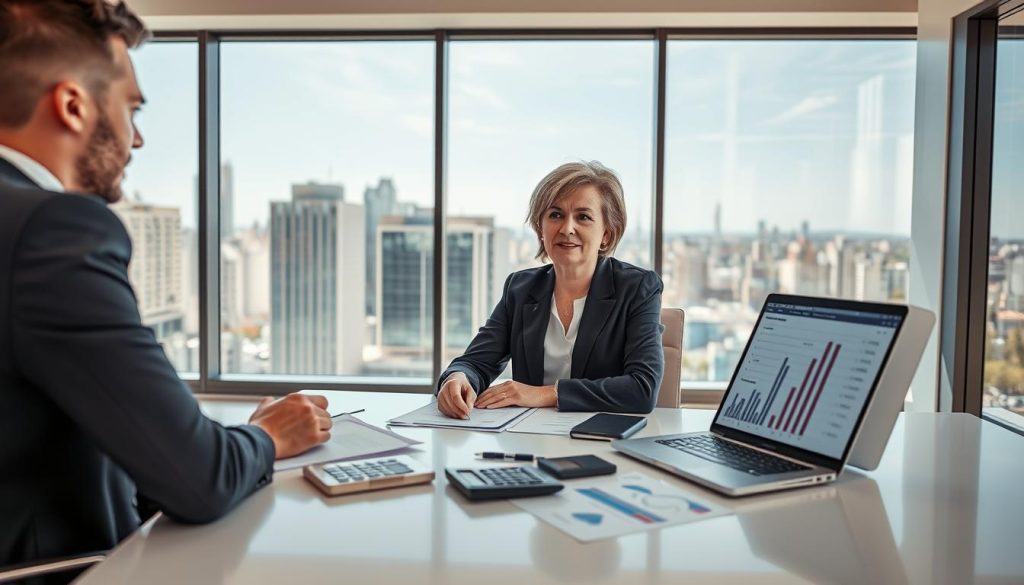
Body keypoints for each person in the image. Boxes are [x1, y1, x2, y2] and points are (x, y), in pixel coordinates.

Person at [0, 0, 332, 575]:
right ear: (74, 105)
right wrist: (265, 437)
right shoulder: (50, 229)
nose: (138, 139)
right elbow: (198, 480)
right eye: (131, 107)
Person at [436, 161, 665, 419]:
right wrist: (456, 378)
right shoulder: (520, 289)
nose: (567, 228)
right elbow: (476, 362)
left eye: (583, 217)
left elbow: (642, 388)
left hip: (603, 440)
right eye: (555, 215)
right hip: (528, 438)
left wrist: (544, 393)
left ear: (606, 235)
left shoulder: (638, 288)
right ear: (540, 229)